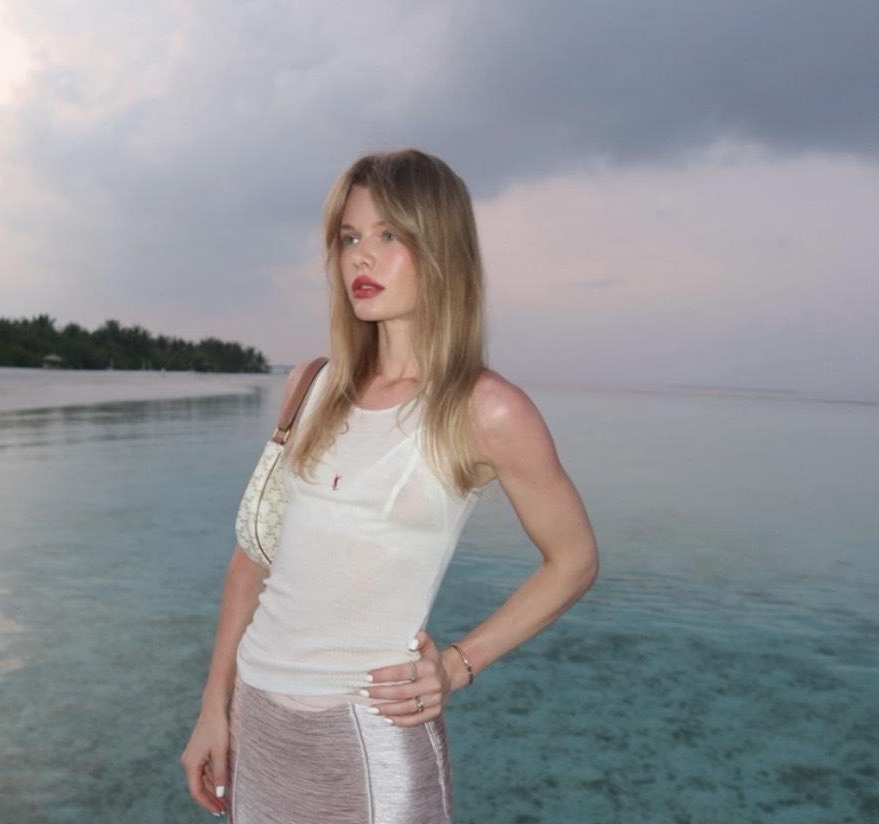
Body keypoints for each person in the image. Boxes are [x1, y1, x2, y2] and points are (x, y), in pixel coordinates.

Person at [180, 148, 600, 821]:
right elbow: (253, 559)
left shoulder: (485, 410)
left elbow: (574, 560)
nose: (361, 258)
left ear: (441, 250)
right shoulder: (309, 386)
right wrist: (214, 707)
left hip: (371, 734)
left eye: (389, 236)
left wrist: (458, 665)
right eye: (349, 238)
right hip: (258, 721)